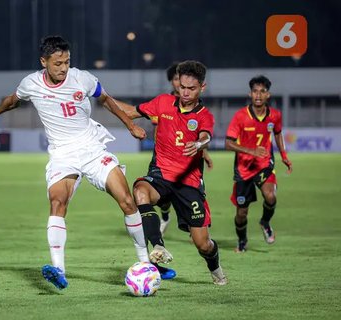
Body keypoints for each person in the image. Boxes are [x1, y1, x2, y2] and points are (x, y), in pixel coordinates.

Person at [0, 35, 149, 290]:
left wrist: (130, 125)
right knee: (57, 202)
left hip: (92, 148)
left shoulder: (81, 78)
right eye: (58, 63)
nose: (63, 68)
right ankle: (59, 270)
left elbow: (106, 100)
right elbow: (12, 100)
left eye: (67, 62)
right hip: (62, 154)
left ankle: (145, 262)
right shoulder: (31, 84)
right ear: (44, 61)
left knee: (126, 200)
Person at [116, 60, 227, 285]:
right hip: (160, 176)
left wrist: (199, 145)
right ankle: (158, 245)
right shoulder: (163, 102)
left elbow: (206, 136)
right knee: (140, 191)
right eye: (182, 87)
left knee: (203, 244)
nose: (185, 92)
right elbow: (128, 111)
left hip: (189, 184)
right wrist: (101, 96)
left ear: (202, 88)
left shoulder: (205, 115)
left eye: (191, 88)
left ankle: (216, 269)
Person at [225, 75, 292, 253]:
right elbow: (228, 143)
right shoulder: (240, 116)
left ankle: (265, 222)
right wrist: (251, 150)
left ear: (268, 95)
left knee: (270, 196)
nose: (258, 95)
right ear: (250, 93)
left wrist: (284, 155)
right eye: (255, 91)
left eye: (262, 91)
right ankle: (242, 240)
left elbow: (277, 133)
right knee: (241, 213)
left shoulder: (275, 115)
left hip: (264, 164)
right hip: (243, 169)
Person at [158, 63, 213, 236]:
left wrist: (203, 151)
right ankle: (165, 215)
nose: (180, 85)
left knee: (191, 189)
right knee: (162, 198)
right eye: (176, 81)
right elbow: (158, 129)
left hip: (189, 161)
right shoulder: (165, 102)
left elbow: (199, 135)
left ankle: (195, 224)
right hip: (167, 156)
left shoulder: (196, 107)